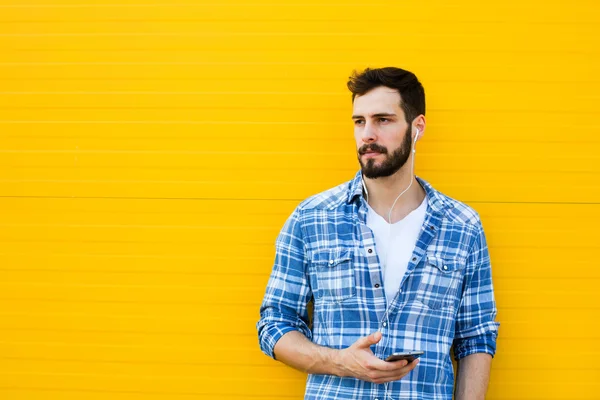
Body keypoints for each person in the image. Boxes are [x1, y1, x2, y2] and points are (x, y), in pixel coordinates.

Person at [257, 67, 499, 400]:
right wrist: (341, 362)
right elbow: (275, 324)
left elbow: (476, 337)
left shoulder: (461, 225)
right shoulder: (312, 218)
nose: (368, 134)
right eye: (360, 121)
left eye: (383, 120)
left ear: (417, 128)